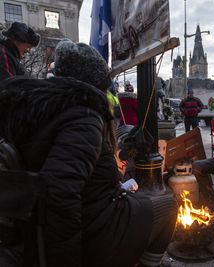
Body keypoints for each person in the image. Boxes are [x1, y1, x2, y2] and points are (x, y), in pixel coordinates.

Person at [0, 40, 177, 267]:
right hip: (92, 227)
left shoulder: (39, 108)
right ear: (94, 83)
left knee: (140, 197)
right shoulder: (83, 113)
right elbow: (61, 192)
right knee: (168, 204)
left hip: (48, 222)